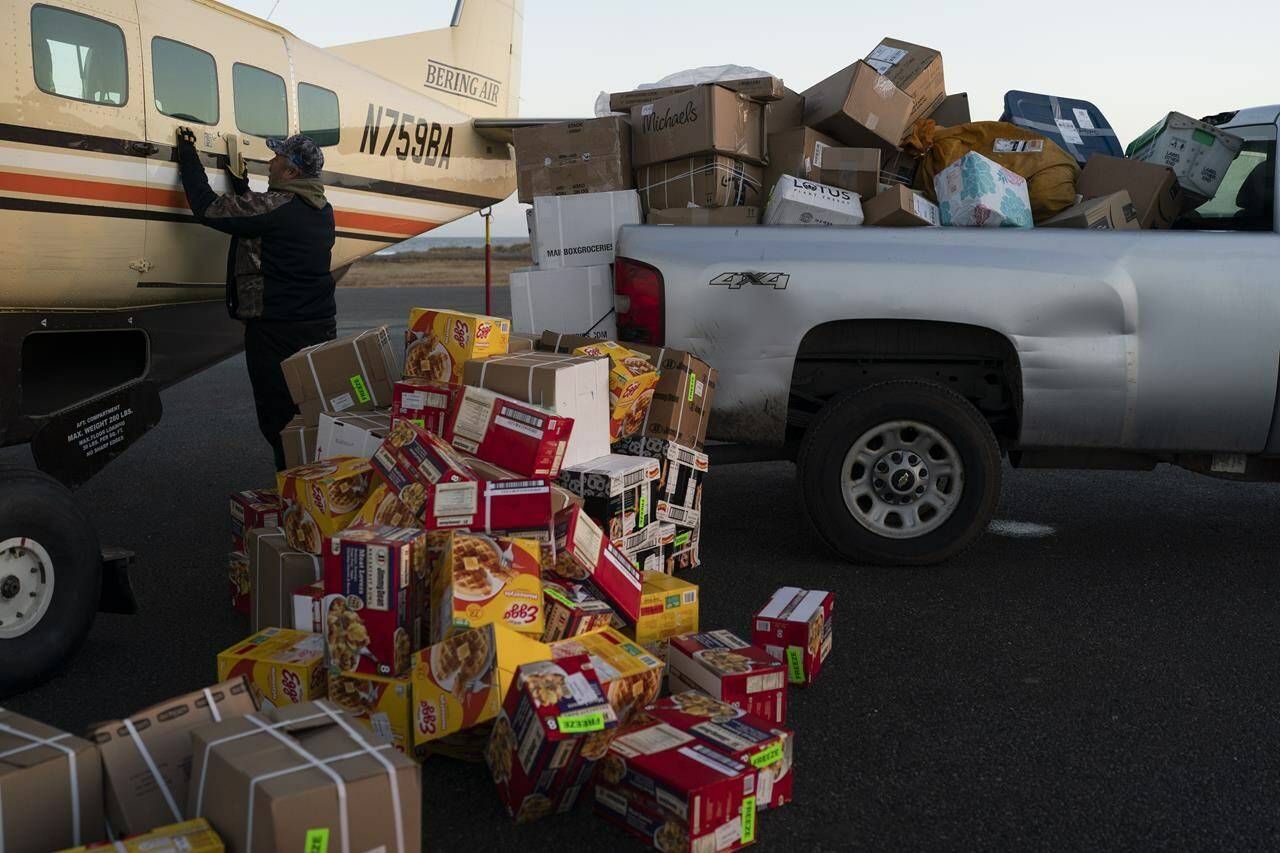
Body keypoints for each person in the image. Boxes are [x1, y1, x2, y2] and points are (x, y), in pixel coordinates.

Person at [174, 127, 336, 470]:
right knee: (309, 411)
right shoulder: (321, 208)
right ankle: (318, 481)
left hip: (276, 331)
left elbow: (208, 209)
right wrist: (242, 186)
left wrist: (188, 156)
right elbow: (264, 223)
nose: (271, 162)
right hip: (317, 327)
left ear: (291, 172)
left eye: (278, 158)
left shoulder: (277, 208)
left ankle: (294, 491)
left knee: (278, 419)